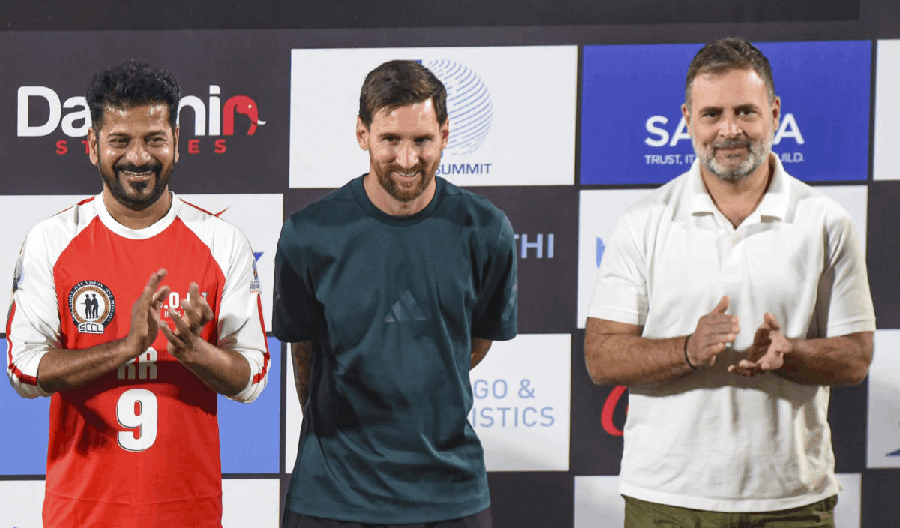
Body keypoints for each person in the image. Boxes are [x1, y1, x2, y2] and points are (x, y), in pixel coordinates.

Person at [584, 38, 875, 527]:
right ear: (687, 119)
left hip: (791, 502)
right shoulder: (643, 221)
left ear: (775, 114)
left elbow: (856, 358)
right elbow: (600, 356)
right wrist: (687, 351)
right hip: (666, 502)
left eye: (746, 111)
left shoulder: (827, 222)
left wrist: (793, 354)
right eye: (712, 114)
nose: (729, 130)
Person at [6, 60, 270, 528]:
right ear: (92, 147)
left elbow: (251, 381)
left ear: (177, 144)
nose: (139, 157)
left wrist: (194, 352)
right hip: (80, 514)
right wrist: (126, 347)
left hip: (189, 514)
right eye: (120, 141)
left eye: (154, 140)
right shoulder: (51, 240)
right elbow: (24, 372)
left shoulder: (223, 242)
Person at [274, 59, 518, 528]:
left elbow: (473, 343)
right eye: (391, 140)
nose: (408, 160)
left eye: (422, 140)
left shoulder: (486, 230)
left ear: (445, 134)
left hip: (450, 496)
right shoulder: (309, 234)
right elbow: (304, 356)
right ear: (362, 134)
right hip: (332, 497)